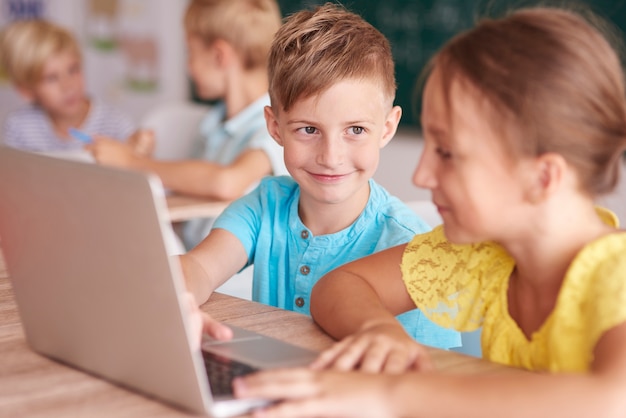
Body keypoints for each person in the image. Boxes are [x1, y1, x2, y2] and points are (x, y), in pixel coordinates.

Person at [218, 6, 626, 417]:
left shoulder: (617, 274)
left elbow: (610, 400)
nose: (422, 173)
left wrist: (391, 396)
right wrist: (379, 329)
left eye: (447, 153)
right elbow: (338, 287)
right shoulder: (484, 255)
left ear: (542, 177)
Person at [181, 3, 461, 349]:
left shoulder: (409, 247)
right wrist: (179, 296)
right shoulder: (264, 206)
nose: (331, 157)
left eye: (355, 129)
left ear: (387, 128)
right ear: (275, 127)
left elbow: (428, 376)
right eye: (308, 129)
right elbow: (199, 268)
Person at [85, 0, 288, 250]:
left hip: (233, 279)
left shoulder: (277, 126)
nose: (187, 68)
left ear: (218, 56)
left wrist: (134, 163)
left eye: (190, 52)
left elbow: (226, 182)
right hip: (191, 259)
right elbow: (189, 218)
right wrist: (142, 164)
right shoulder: (211, 126)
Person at [0, 19, 148, 155]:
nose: (68, 86)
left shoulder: (117, 126)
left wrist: (139, 152)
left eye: (73, 70)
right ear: (27, 91)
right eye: (51, 78)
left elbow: (138, 172)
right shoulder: (19, 128)